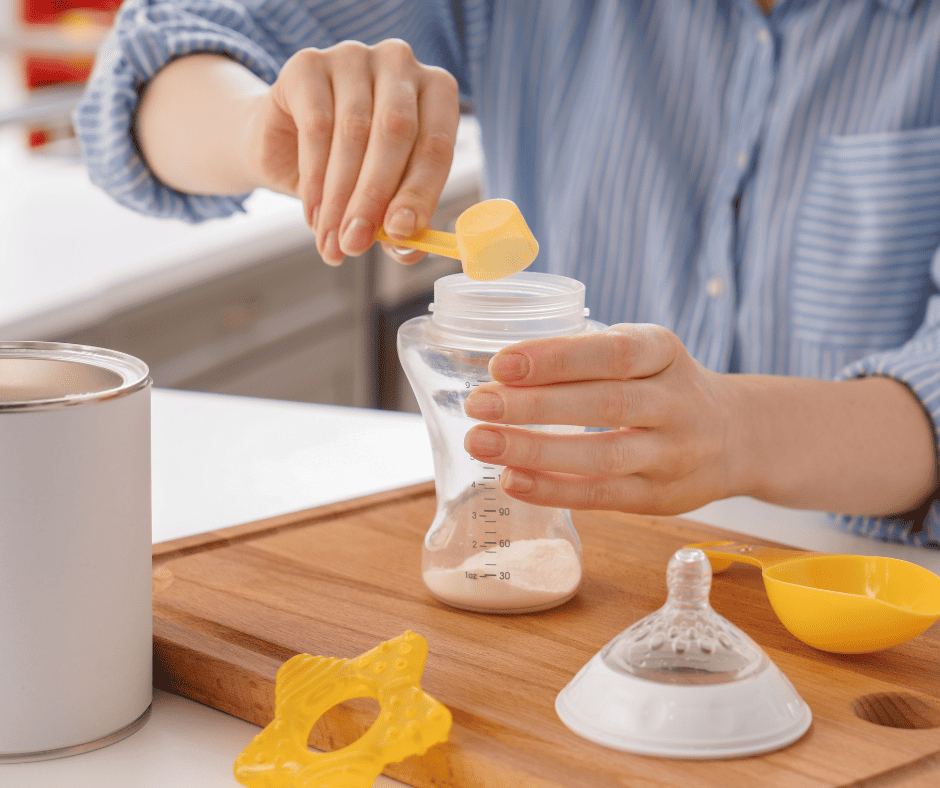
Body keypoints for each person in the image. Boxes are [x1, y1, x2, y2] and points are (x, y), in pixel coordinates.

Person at [75, 0, 940, 546]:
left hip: (870, 589)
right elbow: (147, 68)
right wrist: (260, 127)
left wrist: (733, 431)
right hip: (590, 574)